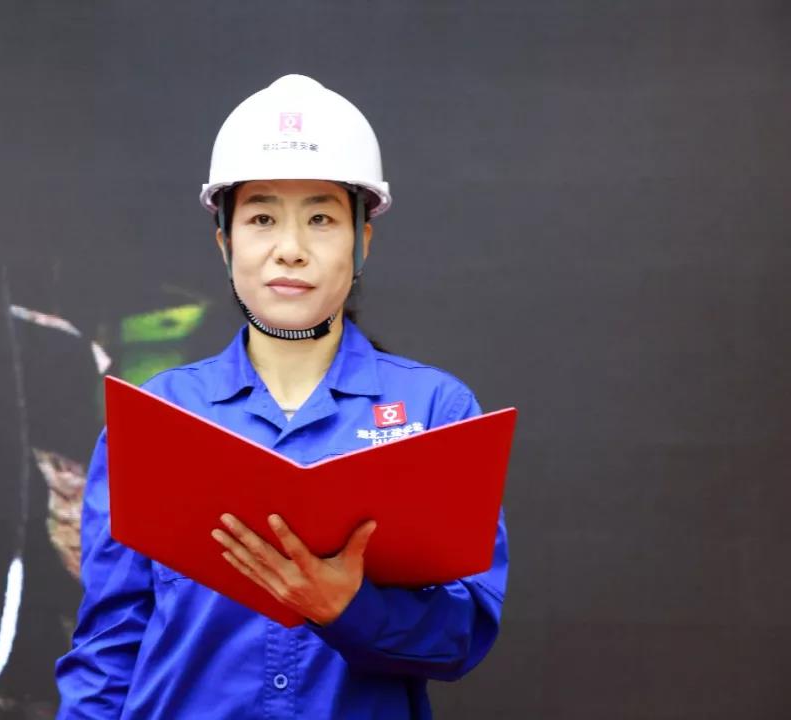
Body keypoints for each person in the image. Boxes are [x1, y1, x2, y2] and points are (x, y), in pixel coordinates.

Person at [55, 74, 509, 720]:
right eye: (262, 218)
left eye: (321, 219)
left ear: (362, 240)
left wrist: (350, 609)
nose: (290, 250)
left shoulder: (437, 411)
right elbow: (108, 649)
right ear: (225, 241)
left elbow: (461, 637)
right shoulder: (156, 419)